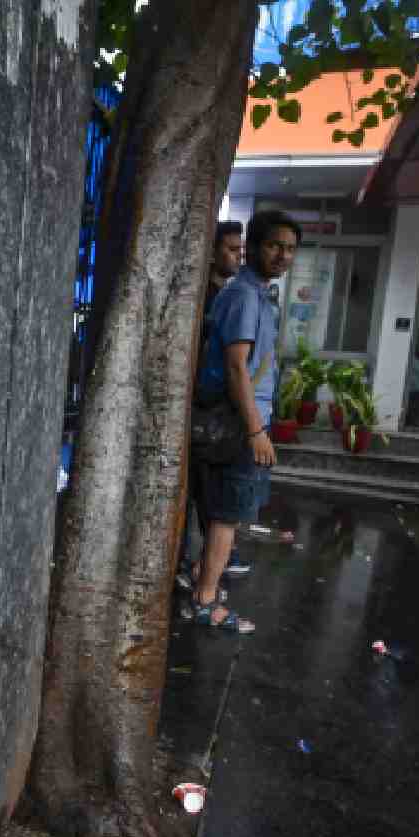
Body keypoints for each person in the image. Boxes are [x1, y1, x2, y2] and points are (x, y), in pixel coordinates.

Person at [190, 210, 301, 633]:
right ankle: (205, 601)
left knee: (229, 514)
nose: (282, 255)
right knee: (225, 516)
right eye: (274, 245)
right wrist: (256, 431)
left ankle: (206, 584)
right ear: (254, 246)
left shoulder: (257, 295)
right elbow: (237, 367)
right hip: (237, 424)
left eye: (290, 249)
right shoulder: (244, 296)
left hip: (245, 421)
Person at [177, 222, 249, 590]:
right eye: (231, 249)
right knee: (198, 488)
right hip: (201, 405)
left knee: (211, 490)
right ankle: (192, 564)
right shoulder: (201, 295)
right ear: (212, 252)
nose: (239, 255)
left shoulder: (234, 296)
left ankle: (207, 558)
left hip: (221, 408)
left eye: (240, 249)